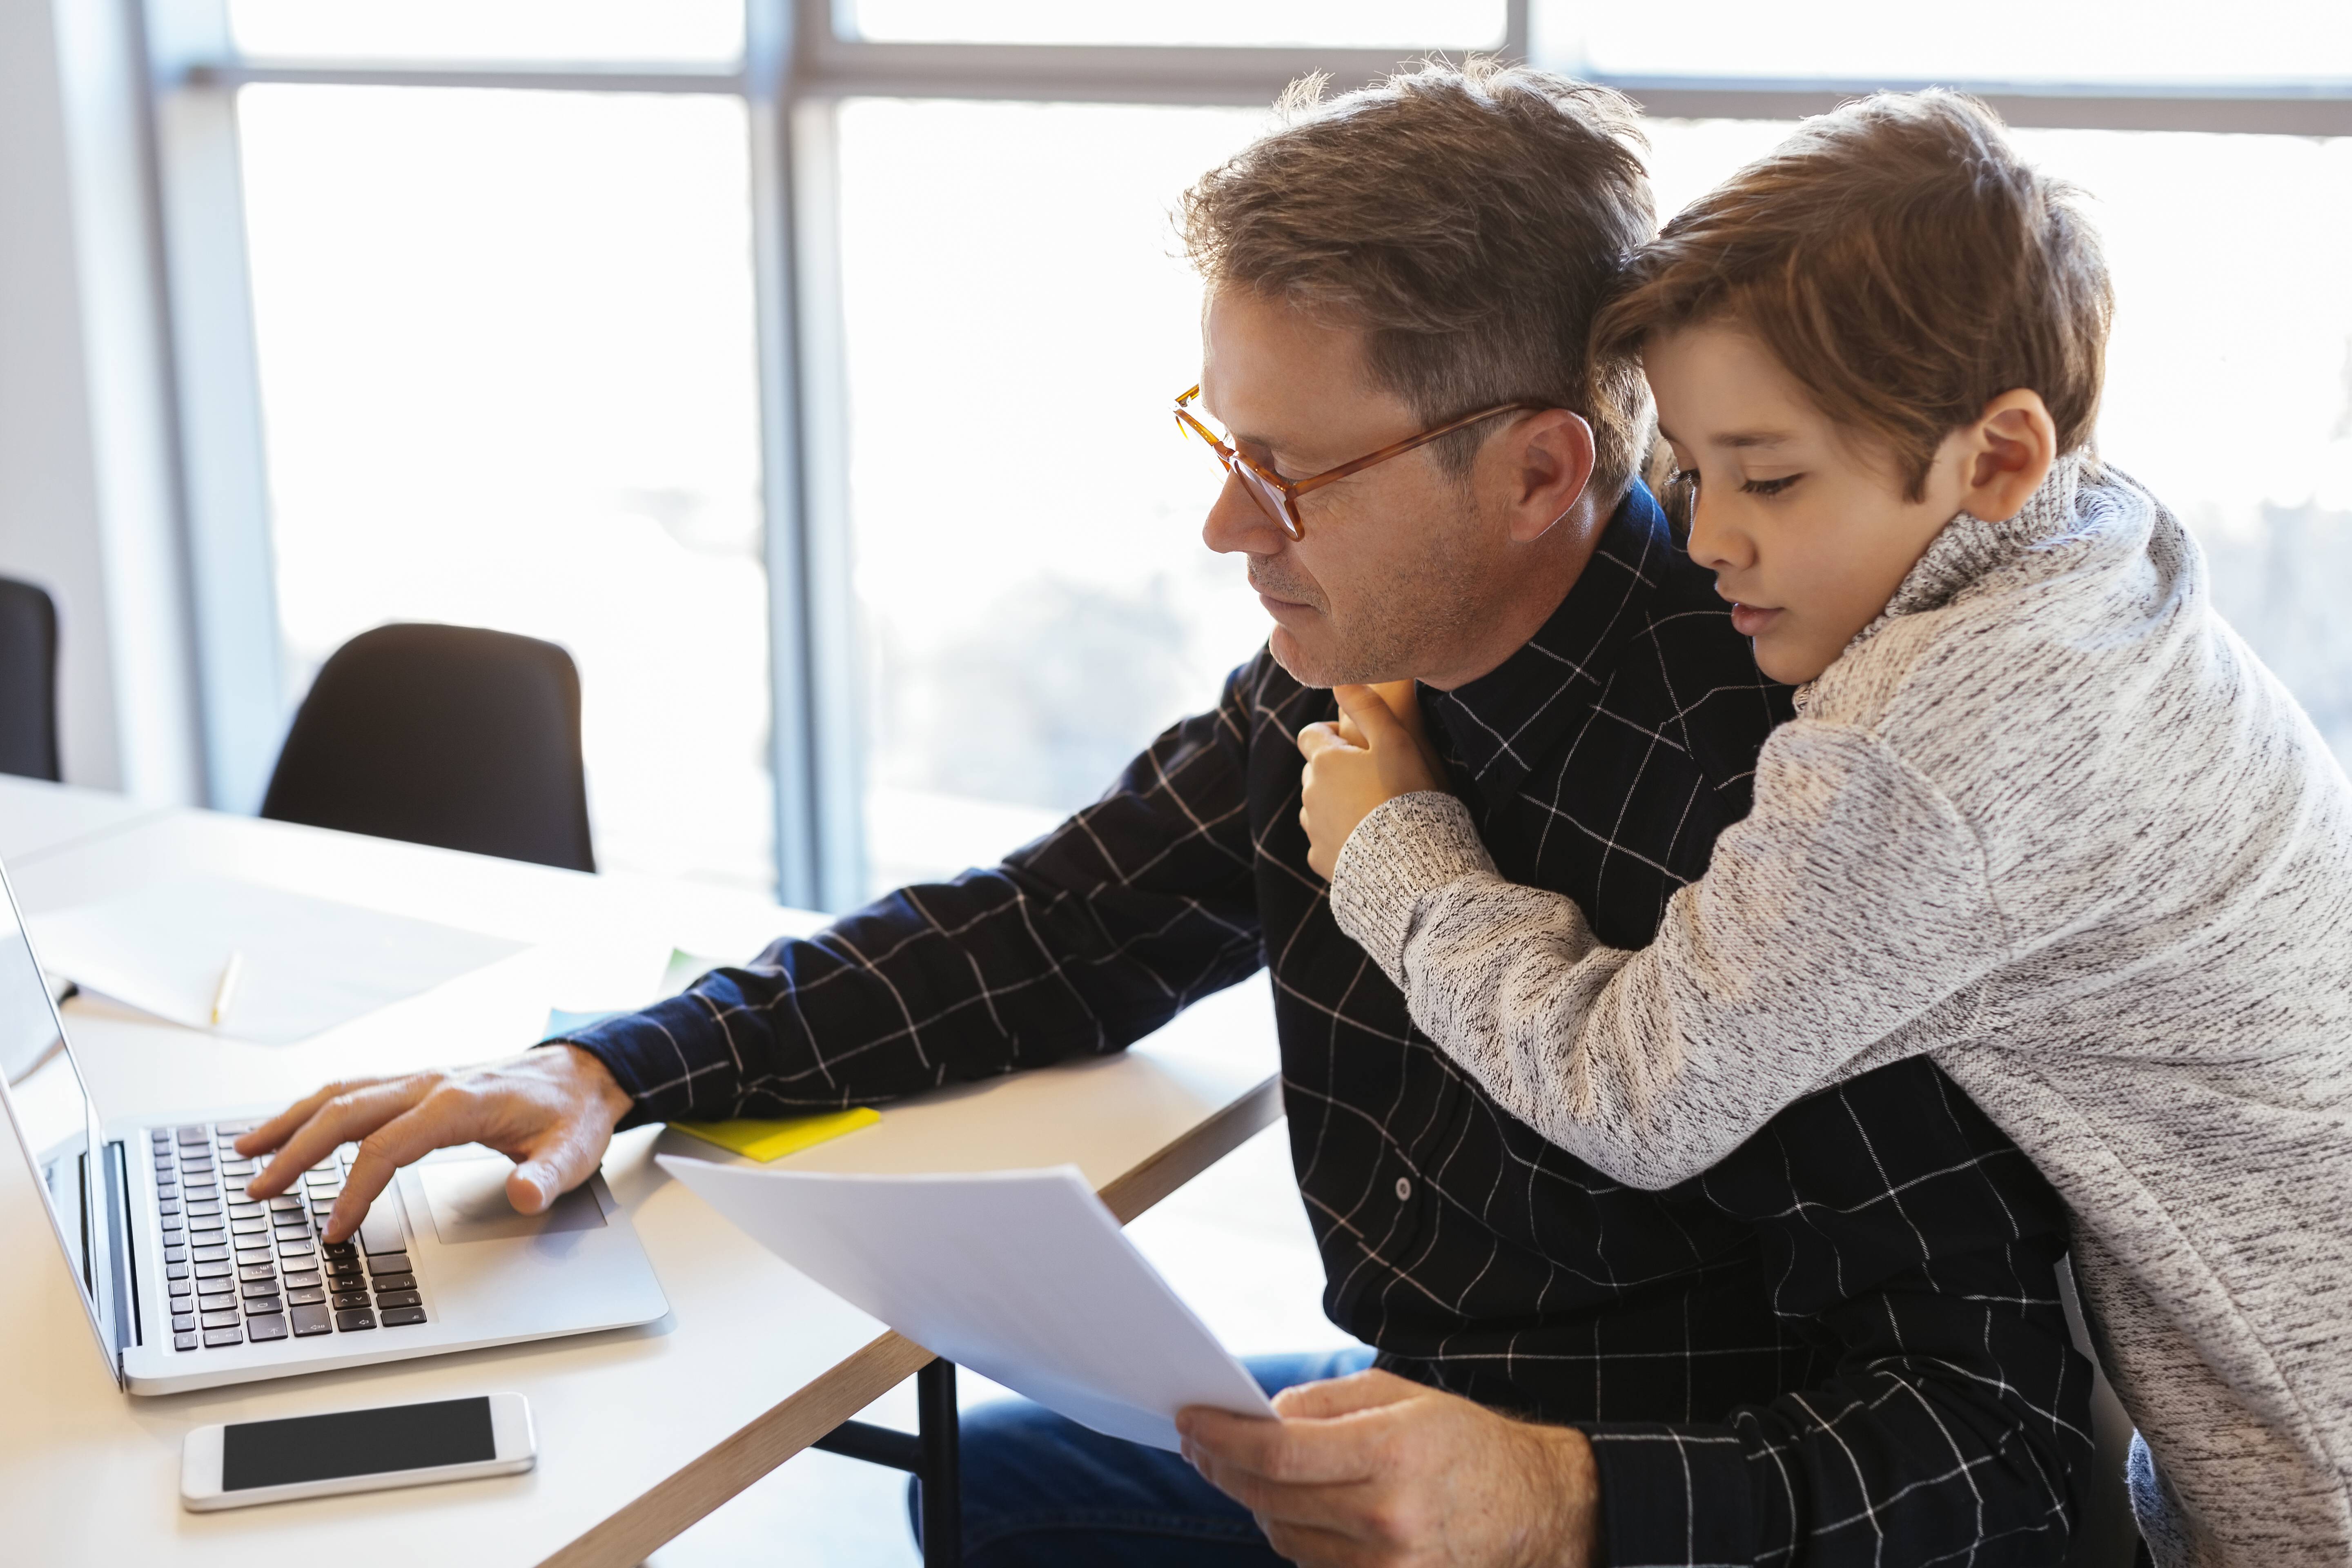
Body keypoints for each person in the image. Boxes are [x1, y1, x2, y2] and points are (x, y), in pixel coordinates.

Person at [234, 64, 2095, 1567]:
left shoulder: (1802, 804)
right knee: (990, 1492)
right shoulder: (1347, 668)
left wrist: (1553, 1503)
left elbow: (2002, 1445)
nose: (1228, 530)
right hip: (1421, 1417)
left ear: (1540, 470)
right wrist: (613, 1067)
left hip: (1661, 1506)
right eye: (1223, 449)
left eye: (1287, 473)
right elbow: (1049, 930)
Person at [1299, 91, 2352, 1567]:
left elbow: (1636, 1095)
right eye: (1690, 464)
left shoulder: (1925, 757)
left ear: (1995, 454)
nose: (1710, 531)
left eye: (1769, 477)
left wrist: (1395, 849)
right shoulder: (2088, 547)